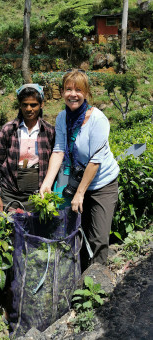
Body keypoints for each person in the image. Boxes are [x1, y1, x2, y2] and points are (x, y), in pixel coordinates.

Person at [40, 70, 119, 269]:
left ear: (86, 93)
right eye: (68, 89)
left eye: (78, 89)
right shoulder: (61, 118)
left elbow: (95, 160)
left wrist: (80, 193)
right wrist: (47, 183)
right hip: (76, 180)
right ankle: (79, 278)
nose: (72, 94)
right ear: (62, 92)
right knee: (76, 232)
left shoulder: (97, 119)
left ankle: (97, 286)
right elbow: (58, 151)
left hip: (102, 183)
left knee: (98, 238)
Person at [0, 84, 55, 217]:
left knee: (36, 234)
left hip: (38, 196)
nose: (29, 109)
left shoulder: (49, 131)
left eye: (33, 105)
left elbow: (56, 164)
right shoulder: (9, 130)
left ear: (41, 105)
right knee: (11, 234)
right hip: (10, 195)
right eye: (25, 104)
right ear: (20, 105)